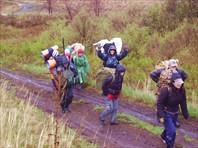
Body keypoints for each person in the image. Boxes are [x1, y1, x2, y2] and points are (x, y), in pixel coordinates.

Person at [150, 59, 188, 127]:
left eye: (175, 66)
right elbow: (152, 74)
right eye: (172, 66)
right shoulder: (163, 70)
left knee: (174, 102)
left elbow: (185, 75)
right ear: (169, 66)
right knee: (159, 102)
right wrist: (159, 82)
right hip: (162, 90)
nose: (174, 68)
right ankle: (160, 117)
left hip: (173, 90)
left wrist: (179, 82)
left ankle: (174, 120)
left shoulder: (179, 71)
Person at [157, 73, 189, 148]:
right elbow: (159, 103)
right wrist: (161, 116)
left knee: (170, 128)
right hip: (166, 113)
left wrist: (185, 113)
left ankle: (163, 136)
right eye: (177, 83)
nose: (179, 84)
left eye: (180, 83)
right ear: (173, 82)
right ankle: (169, 146)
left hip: (175, 113)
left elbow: (183, 102)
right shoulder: (166, 90)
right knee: (172, 132)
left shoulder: (182, 90)